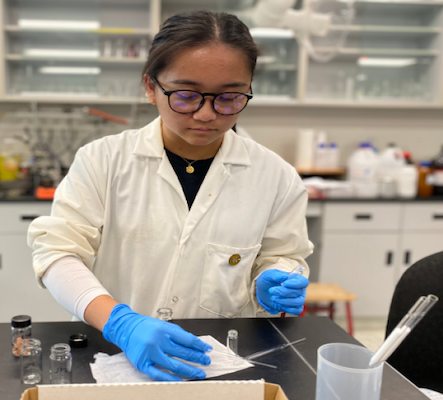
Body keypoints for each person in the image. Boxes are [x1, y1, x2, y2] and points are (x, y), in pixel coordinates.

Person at [27, 11, 312, 382]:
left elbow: (284, 255)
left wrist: (277, 276)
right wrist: (120, 323)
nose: (207, 114)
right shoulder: (102, 160)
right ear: (150, 87)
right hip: (109, 355)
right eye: (186, 95)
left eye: (229, 97)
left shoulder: (276, 177)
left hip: (215, 363)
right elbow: (56, 254)